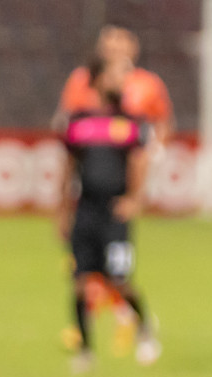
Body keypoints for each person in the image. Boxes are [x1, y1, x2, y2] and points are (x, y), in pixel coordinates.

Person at [54, 26, 174, 356]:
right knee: (82, 278)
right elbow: (67, 160)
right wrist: (62, 209)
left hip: (115, 205)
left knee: (118, 276)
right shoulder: (79, 102)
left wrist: (137, 195)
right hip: (86, 205)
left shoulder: (139, 105)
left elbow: (150, 143)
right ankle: (84, 345)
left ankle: (137, 326)